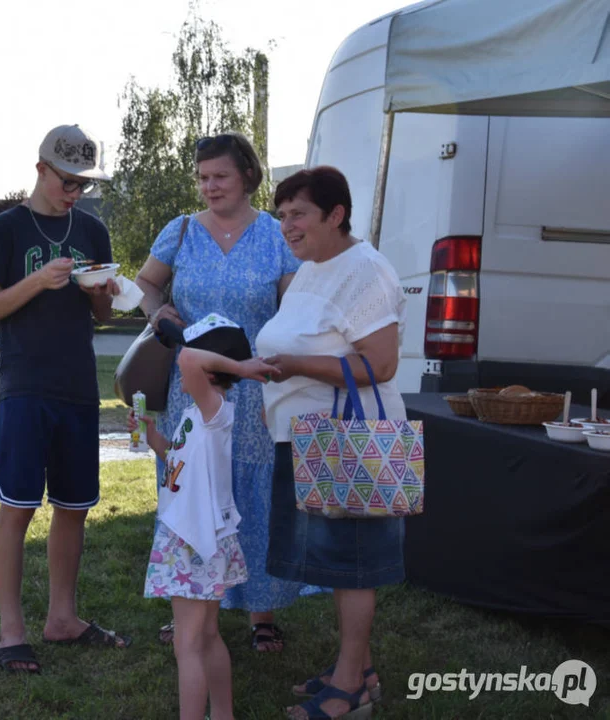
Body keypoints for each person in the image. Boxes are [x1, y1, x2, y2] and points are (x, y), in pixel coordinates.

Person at [134, 131, 314, 650]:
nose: (209, 187)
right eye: (203, 178)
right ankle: (188, 607)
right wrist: (156, 310)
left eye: (220, 177)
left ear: (249, 178)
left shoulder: (277, 237)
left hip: (256, 386)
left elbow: (296, 307)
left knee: (252, 495)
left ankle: (261, 612)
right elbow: (146, 284)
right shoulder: (182, 230)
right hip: (190, 384)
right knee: (190, 489)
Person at [0, 124, 127, 674]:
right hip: (25, 386)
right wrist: (39, 281)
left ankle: (62, 618)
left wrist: (104, 294)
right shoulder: (8, 228)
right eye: (68, 181)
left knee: (74, 507)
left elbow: (102, 317)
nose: (76, 194)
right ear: (40, 169)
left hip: (78, 386)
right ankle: (10, 631)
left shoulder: (92, 230)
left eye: (84, 184)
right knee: (17, 506)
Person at [256, 166, 407, 719]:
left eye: (298, 215)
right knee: (339, 564)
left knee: (355, 563)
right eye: (281, 216)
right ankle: (356, 670)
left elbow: (380, 363)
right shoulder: (313, 268)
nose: (286, 227)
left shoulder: (364, 270)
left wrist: (293, 364)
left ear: (335, 214)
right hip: (311, 437)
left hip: (352, 438)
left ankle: (350, 689)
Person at [132, 315, 279, 720]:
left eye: (187, 356)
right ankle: (224, 714)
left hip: (193, 542)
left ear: (209, 370)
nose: (180, 362)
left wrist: (241, 368)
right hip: (199, 537)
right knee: (207, 636)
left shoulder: (215, 410)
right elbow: (176, 461)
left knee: (188, 643)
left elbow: (191, 358)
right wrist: (152, 436)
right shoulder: (196, 415)